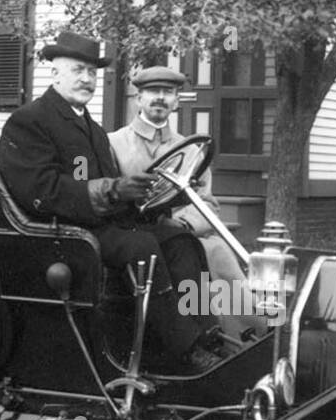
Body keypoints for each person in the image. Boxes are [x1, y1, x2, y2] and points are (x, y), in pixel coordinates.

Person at [0, 31, 221, 373]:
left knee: (181, 240)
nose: (87, 79)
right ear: (55, 73)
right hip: (64, 233)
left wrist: (146, 198)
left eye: (92, 72)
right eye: (77, 70)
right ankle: (185, 351)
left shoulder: (92, 128)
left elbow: (110, 189)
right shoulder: (30, 121)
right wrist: (114, 190)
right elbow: (41, 190)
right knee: (141, 245)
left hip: (102, 224)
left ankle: (205, 335)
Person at [107, 65, 257, 340]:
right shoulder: (113, 143)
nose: (160, 98)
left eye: (168, 92)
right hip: (137, 235)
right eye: (153, 91)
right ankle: (206, 337)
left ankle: (248, 336)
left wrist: (184, 223)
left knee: (218, 252)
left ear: (176, 101)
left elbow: (208, 203)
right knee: (197, 256)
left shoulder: (191, 149)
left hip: (184, 232)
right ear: (138, 98)